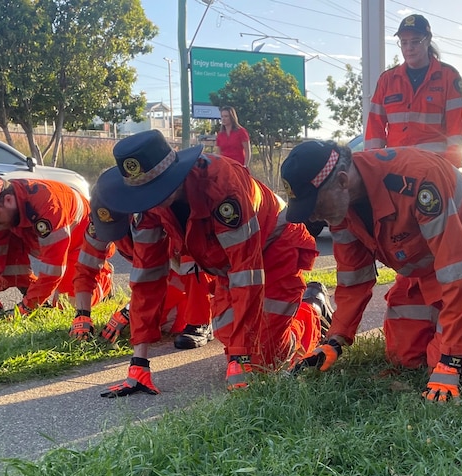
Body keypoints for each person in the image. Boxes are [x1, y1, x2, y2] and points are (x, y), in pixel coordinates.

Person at [96, 129, 331, 396]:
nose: (153, 201)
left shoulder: (222, 187)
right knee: (230, 336)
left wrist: (242, 358)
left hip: (274, 246)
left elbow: (247, 271)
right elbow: (146, 280)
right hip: (230, 264)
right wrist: (139, 364)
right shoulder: (149, 204)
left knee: (262, 361)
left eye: (156, 190)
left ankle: (313, 309)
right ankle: (259, 343)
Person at [280, 141, 462, 403]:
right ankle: (452, 321)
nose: (313, 217)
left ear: (342, 180)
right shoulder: (341, 207)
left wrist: (450, 361)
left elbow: (458, 273)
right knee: (404, 358)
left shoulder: (417, 180)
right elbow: (353, 278)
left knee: (457, 368)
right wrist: (335, 340)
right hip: (423, 274)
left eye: (315, 205)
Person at [69, 181, 214, 350]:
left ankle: (201, 322)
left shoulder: (157, 215)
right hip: (167, 276)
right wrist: (82, 315)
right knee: (148, 321)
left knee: (162, 316)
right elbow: (85, 268)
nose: (110, 234)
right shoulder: (101, 220)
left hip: (201, 271)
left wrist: (131, 310)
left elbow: (162, 271)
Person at [0, 174, 112, 318]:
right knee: (2, 242)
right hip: (41, 238)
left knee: (67, 303)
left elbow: (53, 269)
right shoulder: (0, 209)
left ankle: (104, 281)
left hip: (82, 243)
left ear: (8, 200)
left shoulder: (48, 206)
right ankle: (31, 293)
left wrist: (27, 308)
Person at [364, 14, 462, 168]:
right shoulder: (387, 80)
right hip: (396, 167)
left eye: (415, 42)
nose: (409, 48)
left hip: (435, 168)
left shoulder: (449, 77)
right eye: (404, 43)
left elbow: (456, 132)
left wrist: (450, 170)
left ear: (428, 40)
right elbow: (374, 130)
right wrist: (372, 166)